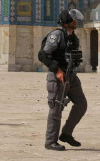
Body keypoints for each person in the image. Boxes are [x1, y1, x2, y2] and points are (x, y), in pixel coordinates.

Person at [39, 9, 87, 151]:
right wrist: (57, 70)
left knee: (81, 104)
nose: (75, 22)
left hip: (71, 76)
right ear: (66, 23)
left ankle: (66, 134)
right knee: (56, 108)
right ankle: (50, 141)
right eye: (73, 20)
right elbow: (43, 55)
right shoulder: (56, 36)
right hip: (57, 76)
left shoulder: (73, 37)